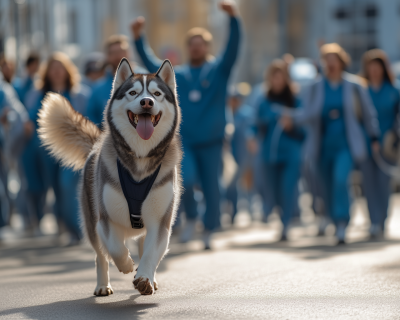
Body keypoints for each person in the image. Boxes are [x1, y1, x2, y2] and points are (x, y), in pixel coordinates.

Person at [131, 0, 241, 249]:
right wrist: (138, 38)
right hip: (185, 140)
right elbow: (151, 65)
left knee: (213, 187)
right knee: (186, 180)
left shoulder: (218, 71)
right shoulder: (177, 74)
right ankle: (191, 217)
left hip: (212, 140)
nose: (196, 48)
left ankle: (210, 229)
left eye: (200, 45)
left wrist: (234, 19)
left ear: (207, 48)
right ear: (188, 48)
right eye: (192, 45)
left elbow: (233, 48)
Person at [280, 43, 380, 244]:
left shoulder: (354, 86)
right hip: (322, 146)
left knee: (340, 179)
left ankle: (343, 222)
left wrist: (374, 136)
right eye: (327, 61)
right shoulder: (316, 87)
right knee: (324, 187)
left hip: (346, 144)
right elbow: (306, 112)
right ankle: (333, 220)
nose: (331, 64)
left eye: (334, 60)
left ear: (342, 62)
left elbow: (368, 114)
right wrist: (292, 118)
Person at [23, 52, 90, 243]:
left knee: (67, 185)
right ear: (47, 72)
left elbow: (89, 119)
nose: (57, 72)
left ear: (67, 70)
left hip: (72, 148)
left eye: (60, 68)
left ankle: (75, 230)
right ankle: (64, 224)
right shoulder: (36, 94)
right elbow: (30, 119)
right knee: (55, 187)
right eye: (53, 68)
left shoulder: (80, 94)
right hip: (46, 150)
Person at [248, 60, 304, 240]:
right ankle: (281, 217)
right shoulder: (263, 101)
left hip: (291, 154)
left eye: (281, 78)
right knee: (274, 191)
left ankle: (286, 224)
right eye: (274, 78)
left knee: (288, 188)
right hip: (269, 155)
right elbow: (255, 124)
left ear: (286, 79)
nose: (278, 81)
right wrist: (251, 137)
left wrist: (292, 125)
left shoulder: (296, 100)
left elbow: (306, 128)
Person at [359, 49, 400, 239]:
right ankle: (373, 221)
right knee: (368, 184)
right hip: (366, 143)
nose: (374, 70)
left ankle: (382, 220)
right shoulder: (361, 90)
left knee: (384, 183)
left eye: (378, 67)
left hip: (388, 145)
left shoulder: (394, 90)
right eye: (371, 67)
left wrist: (394, 135)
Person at [86, 35, 146, 127]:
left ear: (129, 53)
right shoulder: (97, 89)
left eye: (121, 51)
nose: (118, 56)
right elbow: (91, 120)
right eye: (113, 53)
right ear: (107, 56)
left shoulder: (147, 80)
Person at [225, 88, 255, 224]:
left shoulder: (246, 113)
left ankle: (251, 209)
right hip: (229, 155)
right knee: (231, 185)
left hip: (245, 154)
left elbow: (251, 130)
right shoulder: (226, 113)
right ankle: (233, 211)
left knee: (248, 182)